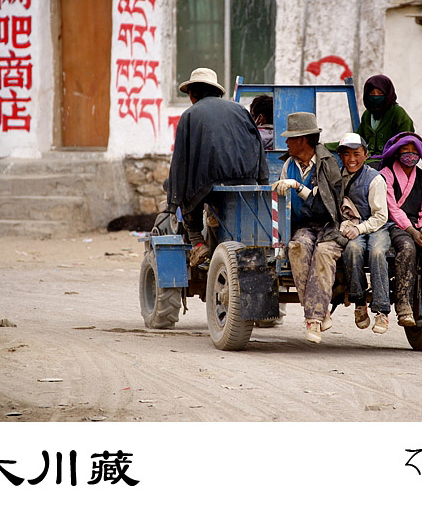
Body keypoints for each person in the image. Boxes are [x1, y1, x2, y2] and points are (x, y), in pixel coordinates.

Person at [166, 68, 268, 266]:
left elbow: (179, 162)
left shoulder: (189, 115)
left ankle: (197, 243)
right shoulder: (240, 110)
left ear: (193, 94)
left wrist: (174, 202)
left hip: (209, 185)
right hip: (245, 181)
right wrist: (263, 183)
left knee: (189, 198)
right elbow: (258, 146)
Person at [271, 112, 347, 344]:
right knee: (297, 248)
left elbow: (327, 202)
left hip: (328, 225)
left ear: (302, 140)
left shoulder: (328, 163)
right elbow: (283, 205)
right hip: (303, 226)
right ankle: (321, 312)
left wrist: (296, 186)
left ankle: (313, 320)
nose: (286, 143)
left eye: (290, 138)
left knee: (323, 254)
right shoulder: (288, 165)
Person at [378, 131, 422, 329]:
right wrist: (412, 231)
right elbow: (391, 208)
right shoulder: (386, 174)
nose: (410, 155)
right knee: (407, 248)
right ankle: (404, 306)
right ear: (397, 152)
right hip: (397, 225)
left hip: (419, 224)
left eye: (413, 151)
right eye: (405, 151)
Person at [336, 133, 392, 334]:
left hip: (376, 228)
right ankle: (359, 301)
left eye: (357, 154)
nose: (352, 159)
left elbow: (380, 217)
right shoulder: (338, 177)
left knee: (377, 252)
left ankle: (382, 311)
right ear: (340, 156)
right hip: (352, 229)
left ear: (366, 155)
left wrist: (358, 228)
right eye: (346, 154)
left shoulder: (375, 179)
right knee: (352, 250)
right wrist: (345, 225)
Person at [356, 75, 414, 166]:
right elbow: (357, 139)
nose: (375, 97)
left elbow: (406, 142)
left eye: (380, 94)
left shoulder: (397, 113)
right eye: (372, 94)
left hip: (392, 162)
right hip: (369, 160)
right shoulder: (367, 115)